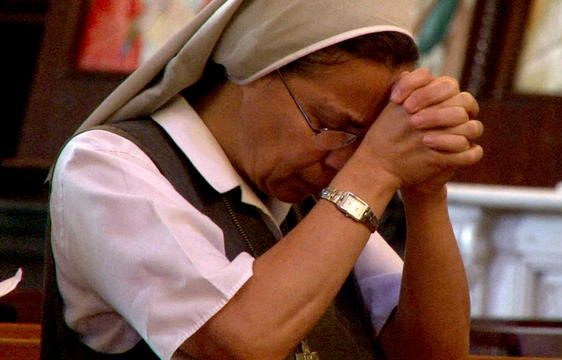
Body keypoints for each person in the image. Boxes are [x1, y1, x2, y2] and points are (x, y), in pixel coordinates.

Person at [42, 0, 484, 359]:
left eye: (364, 140)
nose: (343, 161)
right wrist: (378, 166)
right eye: (330, 124)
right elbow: (242, 342)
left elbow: (435, 355)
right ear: (256, 68)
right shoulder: (108, 166)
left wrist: (426, 194)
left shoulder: (315, 199)